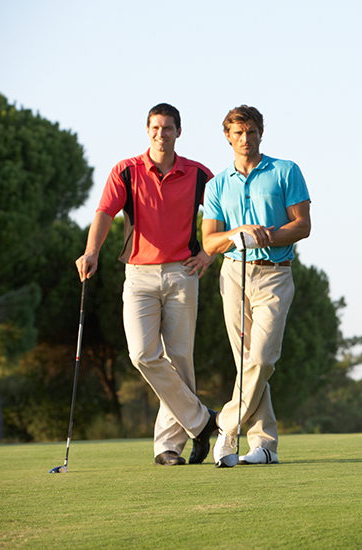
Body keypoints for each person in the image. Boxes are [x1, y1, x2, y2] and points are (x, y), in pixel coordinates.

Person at [75, 103, 218, 466]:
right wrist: (91, 251)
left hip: (183, 272)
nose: (160, 133)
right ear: (147, 130)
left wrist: (208, 255)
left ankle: (168, 447)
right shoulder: (126, 171)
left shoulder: (199, 173)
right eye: (155, 127)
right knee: (142, 354)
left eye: (167, 128)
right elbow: (104, 212)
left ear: (178, 132)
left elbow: (224, 217)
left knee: (179, 359)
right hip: (138, 274)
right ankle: (201, 421)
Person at [202, 105, 311, 465]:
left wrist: (267, 236)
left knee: (262, 358)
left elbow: (303, 225)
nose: (245, 139)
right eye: (238, 133)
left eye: (251, 132)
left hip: (275, 273)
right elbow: (209, 243)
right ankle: (264, 445)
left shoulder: (285, 171)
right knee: (245, 362)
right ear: (227, 137)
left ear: (261, 133)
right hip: (233, 275)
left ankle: (225, 425)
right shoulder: (217, 185)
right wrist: (238, 234)